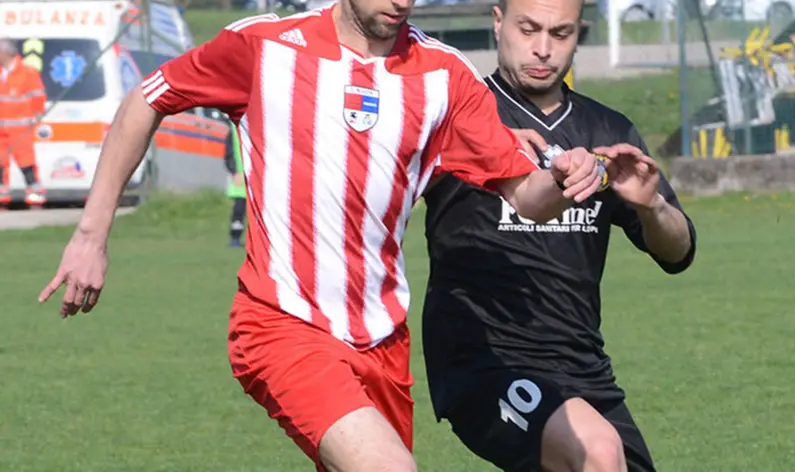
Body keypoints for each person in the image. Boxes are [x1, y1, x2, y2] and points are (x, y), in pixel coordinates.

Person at [37, 1, 611, 471]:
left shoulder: (444, 74)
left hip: (382, 339)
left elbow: (524, 194)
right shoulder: (264, 46)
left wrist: (566, 179)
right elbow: (148, 98)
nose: (402, 2)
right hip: (282, 322)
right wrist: (91, 233)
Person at [420, 0, 698, 471]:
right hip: (482, 361)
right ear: (498, 22)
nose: (543, 49)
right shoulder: (459, 116)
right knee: (596, 453)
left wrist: (651, 206)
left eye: (560, 33)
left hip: (584, 368)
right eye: (528, 29)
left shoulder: (607, 130)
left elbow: (679, 253)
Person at [0, 38, 47, 208]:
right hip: (1, 131)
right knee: (0, 166)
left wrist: (36, 117)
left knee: (27, 165)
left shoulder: (28, 73)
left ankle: (35, 199)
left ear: (6, 53)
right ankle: (2, 200)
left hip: (20, 130)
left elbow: (38, 98)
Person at [223, 120, 247, 248]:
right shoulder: (233, 130)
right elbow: (229, 153)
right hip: (240, 178)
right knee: (239, 210)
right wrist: (234, 171)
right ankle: (235, 238)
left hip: (255, 178)